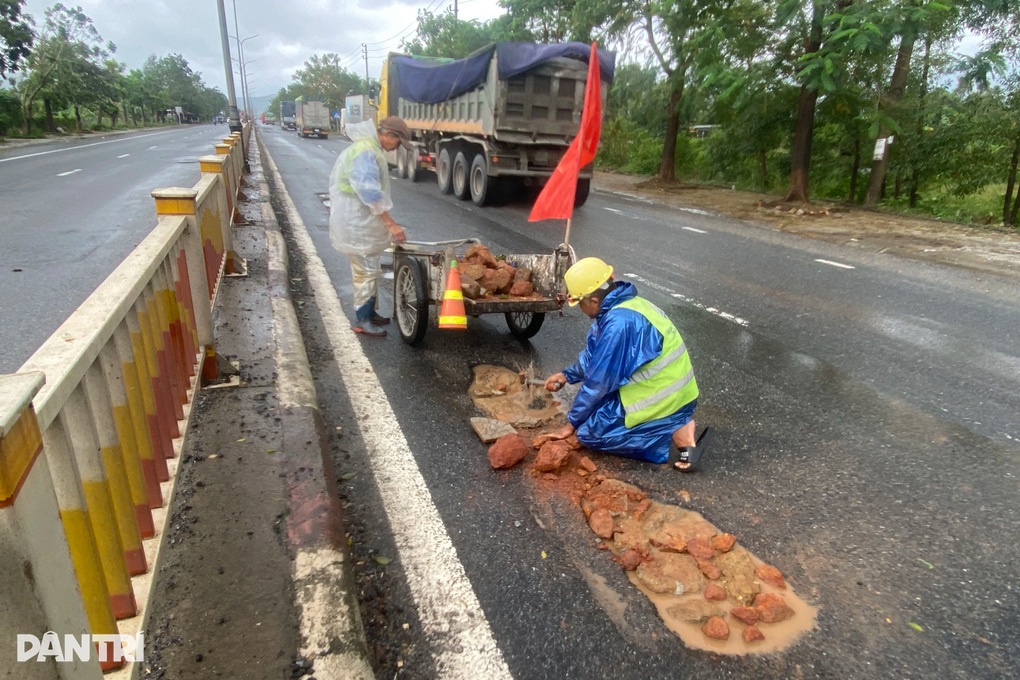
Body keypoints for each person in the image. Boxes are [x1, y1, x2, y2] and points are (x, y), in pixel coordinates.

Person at [542, 257, 710, 471]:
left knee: (589, 433)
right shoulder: (622, 307)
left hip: (666, 399)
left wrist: (570, 424)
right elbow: (597, 356)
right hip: (675, 392)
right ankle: (674, 422)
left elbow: (599, 383)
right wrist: (567, 375)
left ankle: (673, 428)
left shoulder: (619, 324)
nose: (580, 308)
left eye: (579, 302)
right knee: (591, 414)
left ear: (593, 300)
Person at [328, 115, 411, 337]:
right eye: (397, 142)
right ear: (388, 135)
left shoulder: (370, 148)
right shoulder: (366, 151)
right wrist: (391, 225)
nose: (397, 147)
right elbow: (370, 193)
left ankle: (370, 312)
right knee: (364, 272)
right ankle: (362, 320)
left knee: (370, 269)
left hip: (361, 220)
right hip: (356, 222)